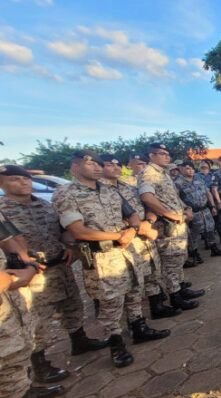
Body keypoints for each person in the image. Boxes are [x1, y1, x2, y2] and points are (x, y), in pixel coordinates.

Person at [0, 166, 106, 384]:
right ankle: (40, 366)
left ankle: (79, 340)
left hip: (60, 265)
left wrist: (68, 244)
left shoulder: (45, 205)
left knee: (72, 304)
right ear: (2, 183)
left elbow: (62, 229)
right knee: (39, 320)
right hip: (32, 275)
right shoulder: (3, 211)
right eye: (15, 179)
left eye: (25, 179)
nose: (23, 183)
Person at [52, 150, 143, 367]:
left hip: (125, 251)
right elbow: (79, 232)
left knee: (134, 291)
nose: (97, 167)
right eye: (91, 163)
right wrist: (119, 235)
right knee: (109, 303)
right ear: (75, 167)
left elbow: (132, 214)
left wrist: (133, 229)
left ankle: (139, 328)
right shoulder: (67, 193)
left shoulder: (110, 191)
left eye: (99, 164)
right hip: (100, 257)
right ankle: (116, 345)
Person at [0, 216, 80, 398]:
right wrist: (15, 276)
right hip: (8, 287)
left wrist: (25, 263)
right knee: (6, 354)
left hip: (10, 293)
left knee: (16, 350)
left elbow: (7, 236)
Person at [99, 155, 172, 343]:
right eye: (109, 164)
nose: (115, 168)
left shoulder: (128, 188)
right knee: (113, 298)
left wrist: (148, 221)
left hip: (141, 240)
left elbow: (147, 205)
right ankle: (115, 342)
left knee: (140, 284)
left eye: (117, 164)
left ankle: (140, 324)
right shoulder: (92, 191)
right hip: (112, 249)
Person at [138, 144, 203, 312]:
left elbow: (173, 197)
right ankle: (175, 296)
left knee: (179, 258)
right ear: (151, 155)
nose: (167, 157)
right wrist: (170, 215)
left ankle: (181, 288)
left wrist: (186, 208)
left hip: (179, 224)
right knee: (170, 262)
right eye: (162, 154)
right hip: (167, 226)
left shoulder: (163, 174)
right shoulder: (149, 174)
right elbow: (147, 197)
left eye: (168, 154)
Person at [173, 161, 221, 259]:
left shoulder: (199, 179)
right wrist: (184, 212)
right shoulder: (178, 183)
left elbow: (208, 193)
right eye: (188, 168)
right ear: (182, 169)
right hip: (192, 212)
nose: (190, 171)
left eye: (192, 168)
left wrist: (213, 206)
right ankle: (194, 253)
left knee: (210, 229)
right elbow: (176, 199)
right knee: (194, 234)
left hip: (205, 210)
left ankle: (214, 248)